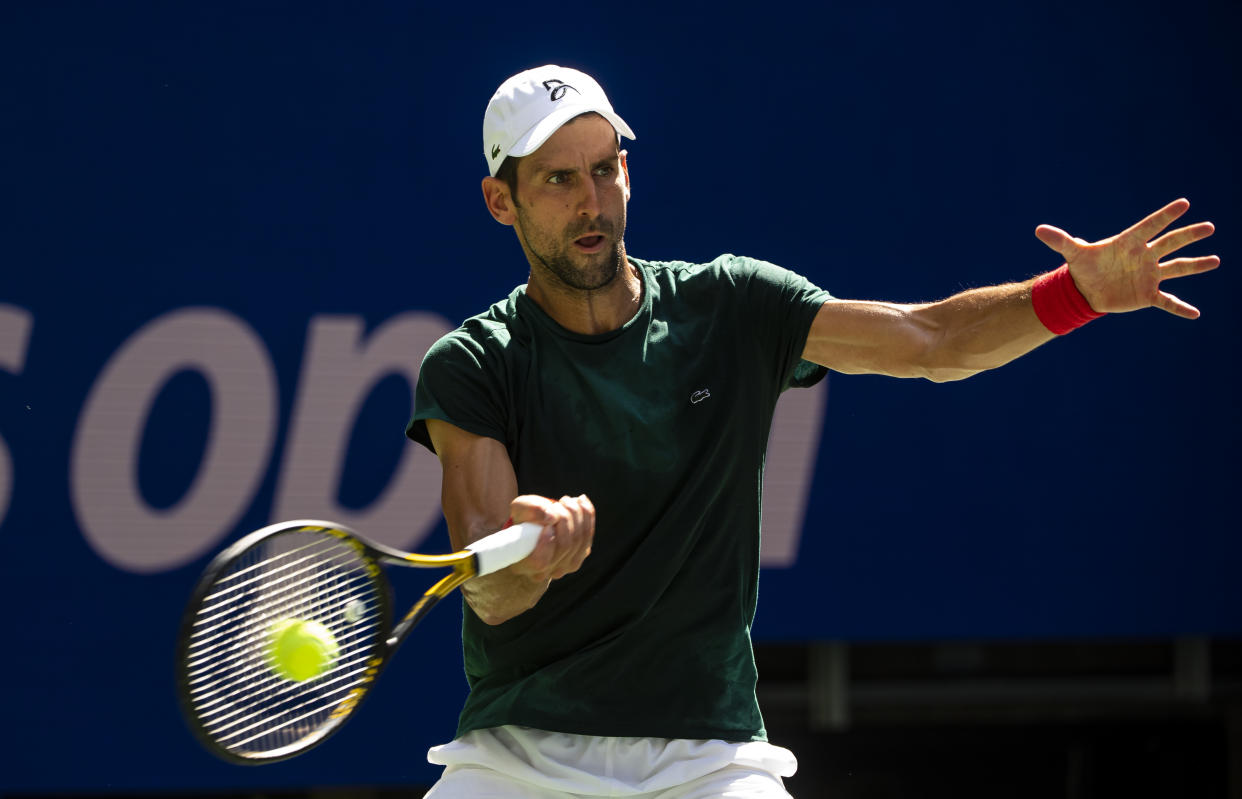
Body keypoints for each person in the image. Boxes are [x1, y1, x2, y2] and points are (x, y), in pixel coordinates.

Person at [406, 65, 1218, 798]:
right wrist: (534, 554)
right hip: (516, 759)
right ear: (500, 200)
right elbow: (487, 580)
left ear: (627, 169)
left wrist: (1072, 295)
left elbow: (930, 342)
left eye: (604, 167)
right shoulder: (475, 362)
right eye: (556, 179)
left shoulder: (732, 305)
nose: (591, 200)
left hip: (710, 759)